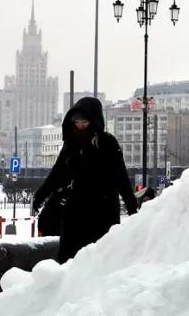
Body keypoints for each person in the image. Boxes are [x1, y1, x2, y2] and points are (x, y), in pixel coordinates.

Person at [33, 97, 137, 263]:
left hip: (102, 212)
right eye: (77, 121)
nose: (80, 125)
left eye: (85, 121)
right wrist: (40, 196)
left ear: (94, 120)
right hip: (75, 212)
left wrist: (132, 209)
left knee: (98, 262)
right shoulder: (70, 145)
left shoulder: (107, 143)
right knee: (68, 260)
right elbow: (57, 174)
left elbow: (121, 177)